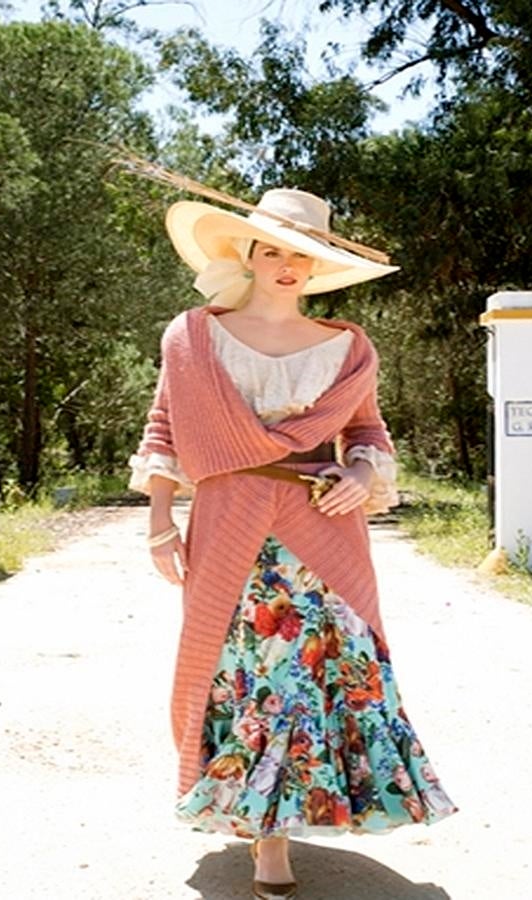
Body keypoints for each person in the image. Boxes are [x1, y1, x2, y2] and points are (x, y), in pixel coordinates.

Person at [130, 186, 457, 899]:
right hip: (228, 524)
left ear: (316, 268)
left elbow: (367, 433)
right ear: (247, 254)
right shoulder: (191, 335)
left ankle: (281, 829)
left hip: (323, 529)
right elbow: (163, 429)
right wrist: (159, 522)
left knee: (312, 677)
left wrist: (360, 473)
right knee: (246, 675)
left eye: (301, 255)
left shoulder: (348, 346)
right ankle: (265, 834)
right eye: (273, 250)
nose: (286, 265)